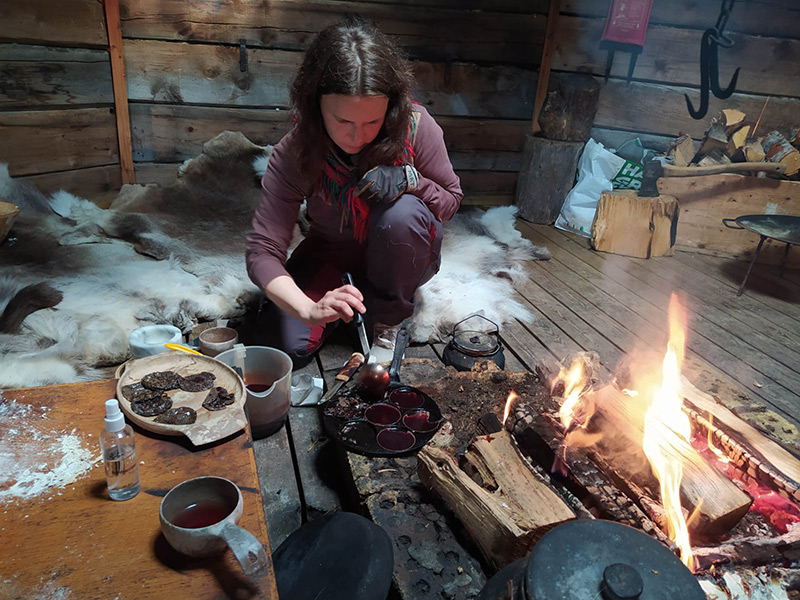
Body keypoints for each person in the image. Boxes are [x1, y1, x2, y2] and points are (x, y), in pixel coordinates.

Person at [245, 15, 462, 366]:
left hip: (402, 252)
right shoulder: (297, 149)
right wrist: (309, 308)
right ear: (314, 106)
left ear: (391, 108)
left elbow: (451, 202)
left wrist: (412, 180)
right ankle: (355, 304)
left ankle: (390, 317)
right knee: (282, 346)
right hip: (331, 253)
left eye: (372, 122)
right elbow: (262, 250)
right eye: (343, 121)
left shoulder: (417, 127)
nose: (357, 137)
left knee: (401, 215)